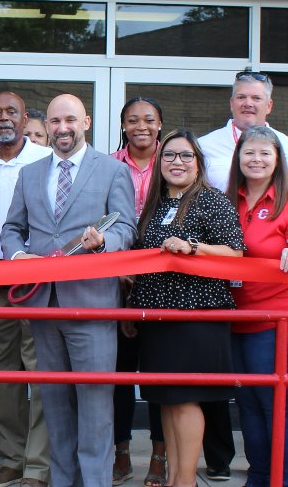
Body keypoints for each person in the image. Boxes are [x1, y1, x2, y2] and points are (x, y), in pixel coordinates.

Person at [1, 93, 137, 486]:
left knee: (96, 408)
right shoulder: (30, 173)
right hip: (44, 305)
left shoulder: (112, 171)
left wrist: (104, 244)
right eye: (56, 121)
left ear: (87, 122)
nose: (63, 128)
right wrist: (17, 255)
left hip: (92, 303)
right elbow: (12, 228)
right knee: (56, 405)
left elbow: (126, 228)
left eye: (71, 120)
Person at [127, 129, 245, 487]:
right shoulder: (156, 204)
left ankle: (185, 482)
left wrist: (194, 248)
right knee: (165, 400)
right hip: (157, 316)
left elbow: (236, 253)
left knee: (186, 400)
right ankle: (177, 477)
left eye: (185, 156)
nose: (176, 162)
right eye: (169, 156)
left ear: (198, 164)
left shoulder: (212, 201)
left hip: (197, 315)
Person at [225, 126, 288, 487]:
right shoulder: (226, 198)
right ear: (239, 157)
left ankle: (283, 481)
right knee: (247, 402)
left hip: (280, 314)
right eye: (249, 152)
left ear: (278, 160)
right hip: (237, 314)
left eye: (265, 153)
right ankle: (260, 476)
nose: (256, 159)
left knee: (276, 401)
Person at [0, 90, 54, 487]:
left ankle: (38, 465)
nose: (4, 118)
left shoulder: (44, 161)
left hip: (37, 282)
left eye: (12, 112)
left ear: (25, 120)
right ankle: (12, 457)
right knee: (1, 376)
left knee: (39, 374)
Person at [108, 97, 171, 486]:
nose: (141, 126)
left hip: (164, 281)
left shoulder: (176, 159)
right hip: (115, 278)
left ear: (160, 123)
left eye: (148, 119)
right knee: (118, 372)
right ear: (123, 125)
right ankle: (121, 452)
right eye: (133, 120)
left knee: (160, 372)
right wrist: (119, 274)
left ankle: (160, 456)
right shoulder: (109, 164)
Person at [197, 71, 288, 202]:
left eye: (256, 98)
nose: (248, 103)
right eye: (241, 97)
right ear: (231, 103)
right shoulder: (203, 146)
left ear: (269, 106)